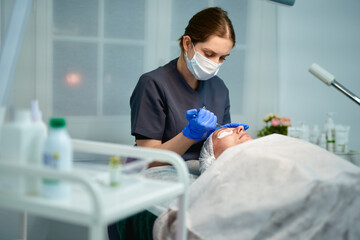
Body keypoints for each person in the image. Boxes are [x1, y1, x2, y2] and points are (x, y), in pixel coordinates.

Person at [130, 7, 240, 167]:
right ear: (188, 43)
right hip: (162, 173)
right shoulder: (153, 84)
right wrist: (189, 134)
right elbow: (148, 159)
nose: (215, 63)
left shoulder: (220, 88)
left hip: (203, 172)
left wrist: (234, 138)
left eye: (222, 57)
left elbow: (219, 150)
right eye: (209, 54)